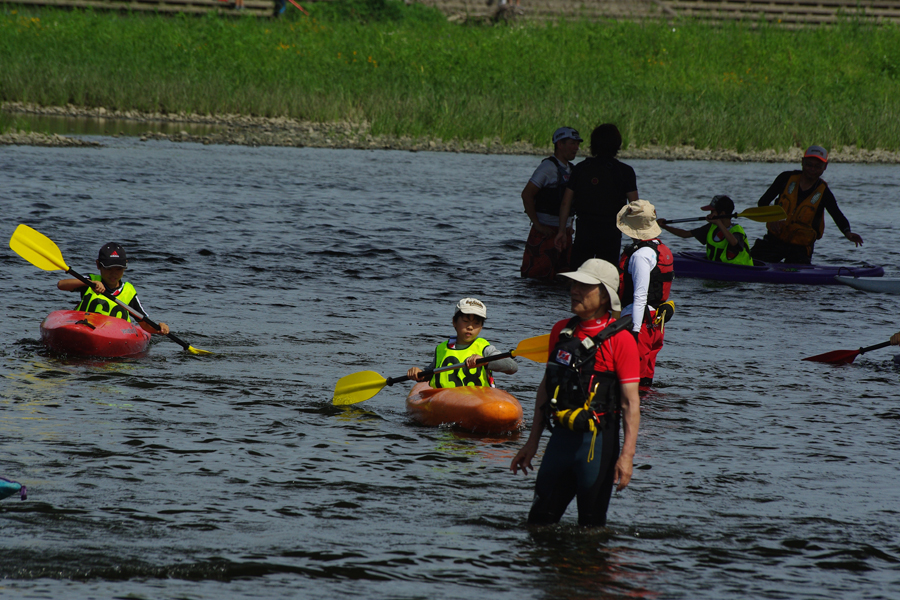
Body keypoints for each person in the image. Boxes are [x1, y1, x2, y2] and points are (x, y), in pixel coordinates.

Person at [509, 259, 640, 527]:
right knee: (537, 525)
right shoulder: (561, 331)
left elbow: (630, 403)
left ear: (605, 295)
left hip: (597, 446)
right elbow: (545, 388)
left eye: (584, 285)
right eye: (574, 284)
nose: (574, 290)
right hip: (560, 442)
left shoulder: (621, 340)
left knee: (590, 532)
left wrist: (627, 457)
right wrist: (532, 442)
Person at [750, 145, 863, 264]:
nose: (812, 169)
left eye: (817, 166)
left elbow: (837, 214)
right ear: (802, 162)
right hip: (774, 240)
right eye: (809, 164)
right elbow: (763, 202)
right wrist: (772, 218)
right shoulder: (785, 178)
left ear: (825, 167)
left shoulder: (824, 193)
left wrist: (848, 233)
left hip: (800, 247)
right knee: (752, 262)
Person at [555, 124, 638, 267]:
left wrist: (561, 230)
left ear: (593, 144)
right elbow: (635, 206)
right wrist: (638, 237)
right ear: (617, 145)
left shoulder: (580, 168)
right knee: (606, 276)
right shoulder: (625, 171)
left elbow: (565, 203)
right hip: (611, 232)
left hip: (584, 230)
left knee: (578, 273)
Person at [616, 200, 673, 388]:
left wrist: (634, 333)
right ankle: (648, 414)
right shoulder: (660, 249)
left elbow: (640, 296)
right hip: (656, 324)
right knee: (644, 382)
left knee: (629, 383)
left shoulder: (641, 255)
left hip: (639, 324)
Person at [57, 242, 169, 335]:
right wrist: (89, 283)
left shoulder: (128, 291)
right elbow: (61, 285)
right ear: (98, 265)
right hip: (84, 328)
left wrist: (160, 328)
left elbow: (144, 324)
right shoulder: (90, 280)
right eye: (109, 269)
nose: (113, 274)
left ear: (125, 267)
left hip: (114, 334)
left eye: (118, 269)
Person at [407, 298, 518, 388]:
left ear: (481, 327)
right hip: (444, 399)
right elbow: (431, 373)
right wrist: (419, 374)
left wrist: (485, 362)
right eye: (465, 321)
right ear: (454, 322)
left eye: (476, 323)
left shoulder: (485, 349)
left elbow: (512, 367)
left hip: (478, 399)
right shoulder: (442, 349)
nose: (470, 327)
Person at [520, 127, 582, 280]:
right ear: (559, 144)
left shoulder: (572, 169)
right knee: (536, 278)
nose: (576, 148)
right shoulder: (547, 168)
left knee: (562, 280)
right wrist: (538, 225)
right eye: (572, 143)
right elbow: (527, 195)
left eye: (577, 144)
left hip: (564, 233)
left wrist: (569, 228)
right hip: (544, 233)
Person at [658, 195, 753, 266]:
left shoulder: (737, 230)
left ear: (722, 213)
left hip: (741, 270)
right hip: (719, 267)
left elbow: (733, 243)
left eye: (712, 211)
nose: (710, 213)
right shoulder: (712, 227)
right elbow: (685, 234)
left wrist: (718, 223)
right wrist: (665, 226)